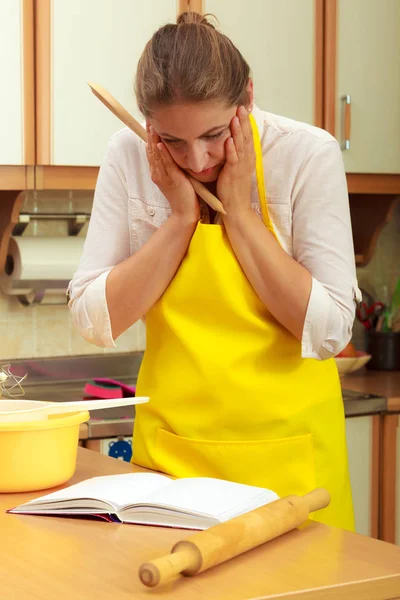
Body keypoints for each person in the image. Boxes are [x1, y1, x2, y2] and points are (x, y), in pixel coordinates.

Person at [69, 11, 361, 530]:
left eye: (213, 133)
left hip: (289, 474)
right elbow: (95, 319)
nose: (197, 159)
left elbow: (330, 331)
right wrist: (181, 218)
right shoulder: (130, 155)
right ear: (148, 121)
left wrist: (240, 214)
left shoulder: (304, 154)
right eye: (173, 141)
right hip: (169, 471)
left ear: (247, 97)